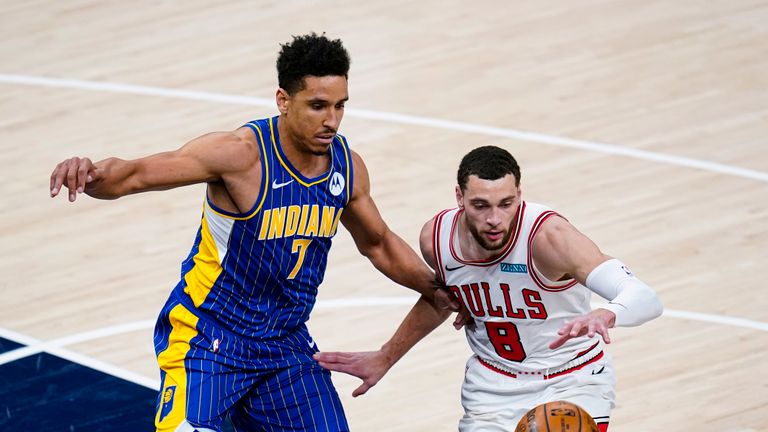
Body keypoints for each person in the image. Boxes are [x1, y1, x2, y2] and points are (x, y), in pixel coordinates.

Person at [49, 33, 455, 432]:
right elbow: (134, 175)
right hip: (208, 337)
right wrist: (91, 173)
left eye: (339, 106)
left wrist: (441, 290)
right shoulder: (239, 154)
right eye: (317, 106)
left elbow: (379, 244)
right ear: (283, 100)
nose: (331, 120)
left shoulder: (346, 168)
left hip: (283, 344)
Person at [314, 145, 664, 432]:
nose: (494, 219)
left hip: (570, 380)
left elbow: (645, 298)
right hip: (492, 387)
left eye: (505, 204)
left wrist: (609, 311)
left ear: (519, 196)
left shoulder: (550, 239)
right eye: (480, 206)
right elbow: (443, 301)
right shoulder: (437, 239)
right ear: (459, 198)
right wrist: (386, 357)